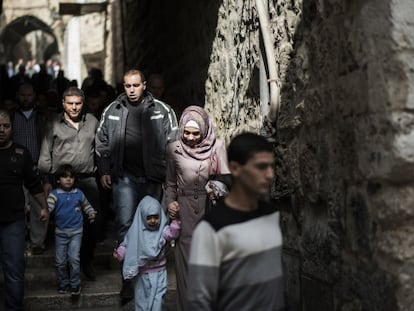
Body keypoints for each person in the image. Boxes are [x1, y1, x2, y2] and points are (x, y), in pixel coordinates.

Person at [95, 69, 178, 303]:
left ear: (144, 85)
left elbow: (174, 142)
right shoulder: (113, 110)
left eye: (135, 85)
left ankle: (150, 278)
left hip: (153, 178)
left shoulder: (162, 110)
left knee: (152, 227)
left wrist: (169, 175)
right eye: (127, 86)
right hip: (124, 178)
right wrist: (104, 170)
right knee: (125, 226)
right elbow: (101, 142)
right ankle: (128, 281)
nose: (131, 90)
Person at [186, 132, 285, 310]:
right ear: (235, 168)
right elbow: (198, 300)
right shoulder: (211, 229)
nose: (270, 174)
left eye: (272, 166)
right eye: (261, 167)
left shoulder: (272, 215)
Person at [165, 105, 230, 311]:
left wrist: (218, 187)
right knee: (185, 266)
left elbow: (228, 179)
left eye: (196, 133)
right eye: (186, 132)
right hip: (184, 213)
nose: (191, 138)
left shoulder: (217, 147)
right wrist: (170, 203)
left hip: (209, 210)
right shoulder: (173, 149)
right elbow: (170, 184)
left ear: (204, 131)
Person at [38, 86, 101, 281]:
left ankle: (86, 261)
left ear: (83, 104)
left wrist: (105, 171)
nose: (74, 108)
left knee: (93, 222)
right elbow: (45, 153)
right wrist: (47, 180)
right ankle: (64, 265)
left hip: (88, 180)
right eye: (70, 104)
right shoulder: (53, 123)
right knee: (64, 224)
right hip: (63, 183)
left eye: (78, 104)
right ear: (63, 104)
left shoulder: (92, 121)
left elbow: (100, 148)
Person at [0, 108, 49, 310]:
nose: (1, 130)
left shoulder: (21, 153)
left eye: (6, 126)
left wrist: (44, 207)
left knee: (14, 268)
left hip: (14, 222)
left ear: (12, 128)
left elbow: (34, 184)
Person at [113, 195, 180, 311]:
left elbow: (172, 234)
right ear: (142, 217)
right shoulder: (136, 232)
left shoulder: (162, 230)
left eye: (156, 217)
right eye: (149, 217)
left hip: (160, 272)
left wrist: (175, 222)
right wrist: (120, 253)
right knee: (141, 300)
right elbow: (127, 244)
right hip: (142, 274)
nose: (153, 221)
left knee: (158, 299)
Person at [47, 164, 97, 296]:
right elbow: (48, 208)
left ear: (75, 179)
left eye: (71, 177)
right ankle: (63, 283)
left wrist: (91, 213)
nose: (68, 179)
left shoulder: (79, 194)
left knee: (74, 259)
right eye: (64, 177)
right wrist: (44, 213)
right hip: (60, 233)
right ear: (58, 180)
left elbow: (87, 207)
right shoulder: (54, 194)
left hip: (76, 232)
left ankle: (75, 284)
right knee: (60, 261)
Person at [13, 82, 49, 255]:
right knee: (16, 206)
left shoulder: (42, 116)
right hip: (14, 168)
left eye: (29, 95)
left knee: (38, 207)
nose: (26, 98)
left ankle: (37, 243)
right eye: (22, 95)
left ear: (34, 95)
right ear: (17, 95)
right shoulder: (11, 116)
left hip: (37, 167)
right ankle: (16, 241)